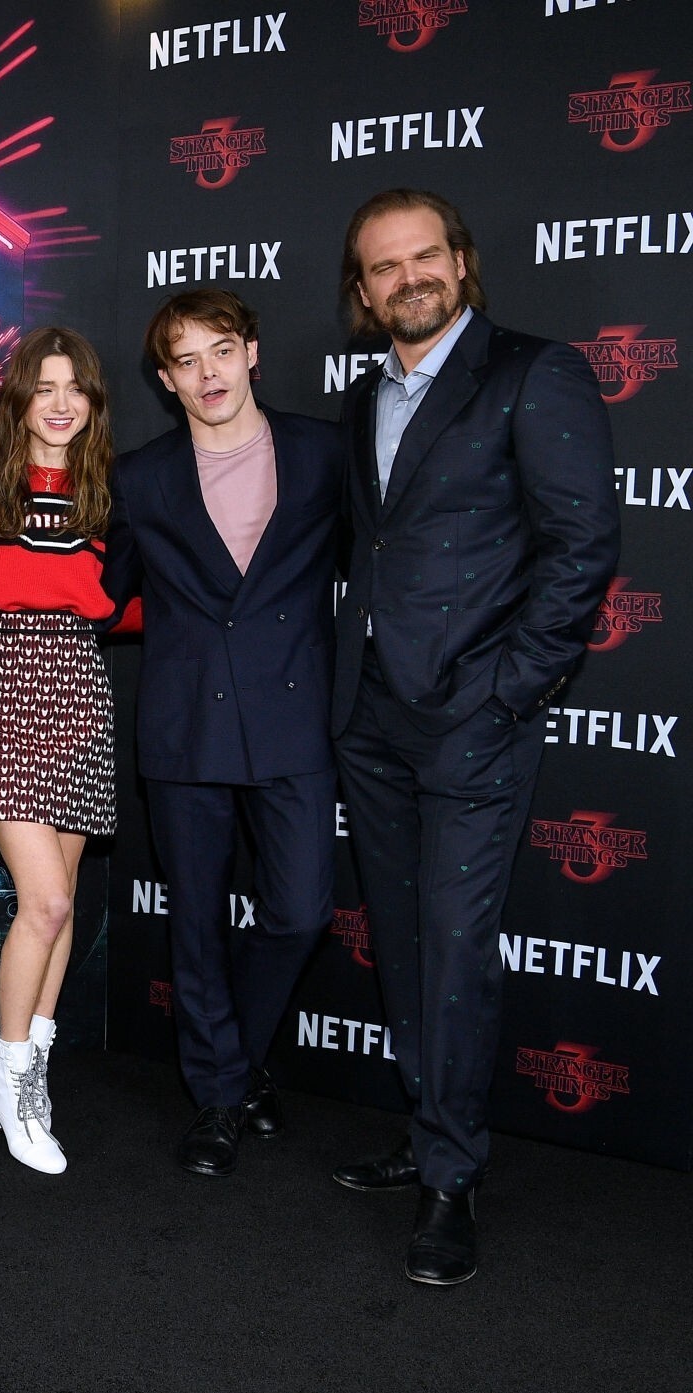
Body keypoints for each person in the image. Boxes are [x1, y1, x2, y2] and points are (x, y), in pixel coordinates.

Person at [330, 189, 618, 1285]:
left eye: (424, 256)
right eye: (384, 266)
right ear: (363, 292)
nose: (407, 277)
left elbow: (582, 545)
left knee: (453, 948)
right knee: (403, 938)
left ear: (460, 261)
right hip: (370, 715)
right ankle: (424, 1128)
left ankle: (451, 1177)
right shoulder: (366, 398)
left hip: (473, 721)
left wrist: (508, 689)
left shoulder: (532, 373)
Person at [103, 290, 344, 1178]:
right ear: (166, 380)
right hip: (186, 721)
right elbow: (101, 595)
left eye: (221, 350)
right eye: (186, 360)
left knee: (301, 909)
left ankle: (235, 1064)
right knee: (197, 923)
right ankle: (218, 1096)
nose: (207, 372)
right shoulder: (140, 478)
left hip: (294, 718)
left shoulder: (324, 452)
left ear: (251, 353)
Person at [0, 327, 117, 1176]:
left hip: (79, 687)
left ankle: (29, 1076)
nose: (59, 403)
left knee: (65, 899)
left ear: (92, 402)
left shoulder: (105, 495)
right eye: (44, 386)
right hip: (1, 686)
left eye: (74, 388)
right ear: (18, 399)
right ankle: (11, 1074)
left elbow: (127, 601)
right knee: (44, 901)